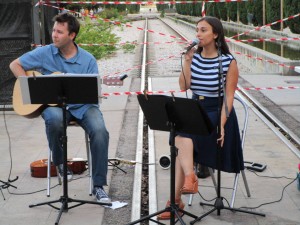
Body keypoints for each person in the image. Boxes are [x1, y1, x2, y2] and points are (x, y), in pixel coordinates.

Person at [9, 13, 111, 204]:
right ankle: (61, 163)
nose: (54, 35)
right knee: (53, 119)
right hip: (55, 106)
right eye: (54, 30)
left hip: (83, 106)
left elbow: (92, 95)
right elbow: (15, 65)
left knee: (100, 131)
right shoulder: (45, 52)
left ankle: (98, 186)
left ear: (71, 35)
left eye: (59, 32)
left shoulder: (88, 60)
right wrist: (29, 86)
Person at [157, 16, 244, 220]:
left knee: (180, 139)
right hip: (196, 107)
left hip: (217, 112)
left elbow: (228, 99)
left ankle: (175, 201)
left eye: (203, 30)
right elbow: (183, 86)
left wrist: (222, 124)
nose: (198, 34)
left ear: (215, 34)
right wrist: (187, 61)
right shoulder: (194, 58)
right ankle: (189, 179)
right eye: (197, 30)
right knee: (180, 136)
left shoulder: (228, 62)